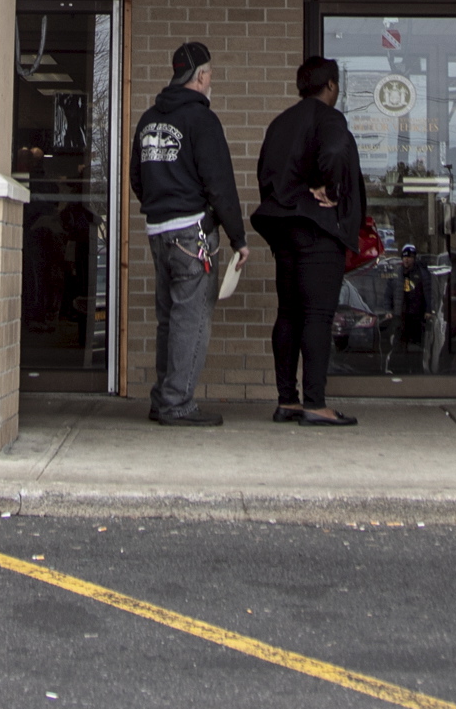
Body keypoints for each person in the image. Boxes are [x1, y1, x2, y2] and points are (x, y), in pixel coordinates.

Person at [133, 40, 247, 428]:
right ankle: (177, 404)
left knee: (169, 317)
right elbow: (220, 184)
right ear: (200, 76)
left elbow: (137, 178)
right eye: (210, 73)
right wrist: (238, 237)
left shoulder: (149, 119)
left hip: (158, 232)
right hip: (192, 233)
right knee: (191, 318)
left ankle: (163, 398)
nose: (211, 80)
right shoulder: (202, 120)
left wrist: (162, 204)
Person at [252, 55, 362, 428]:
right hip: (316, 228)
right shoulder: (329, 118)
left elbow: (264, 170)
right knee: (317, 314)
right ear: (330, 85)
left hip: (282, 227)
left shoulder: (281, 122)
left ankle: (288, 401)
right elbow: (332, 151)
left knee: (289, 313)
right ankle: (315, 403)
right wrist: (331, 189)